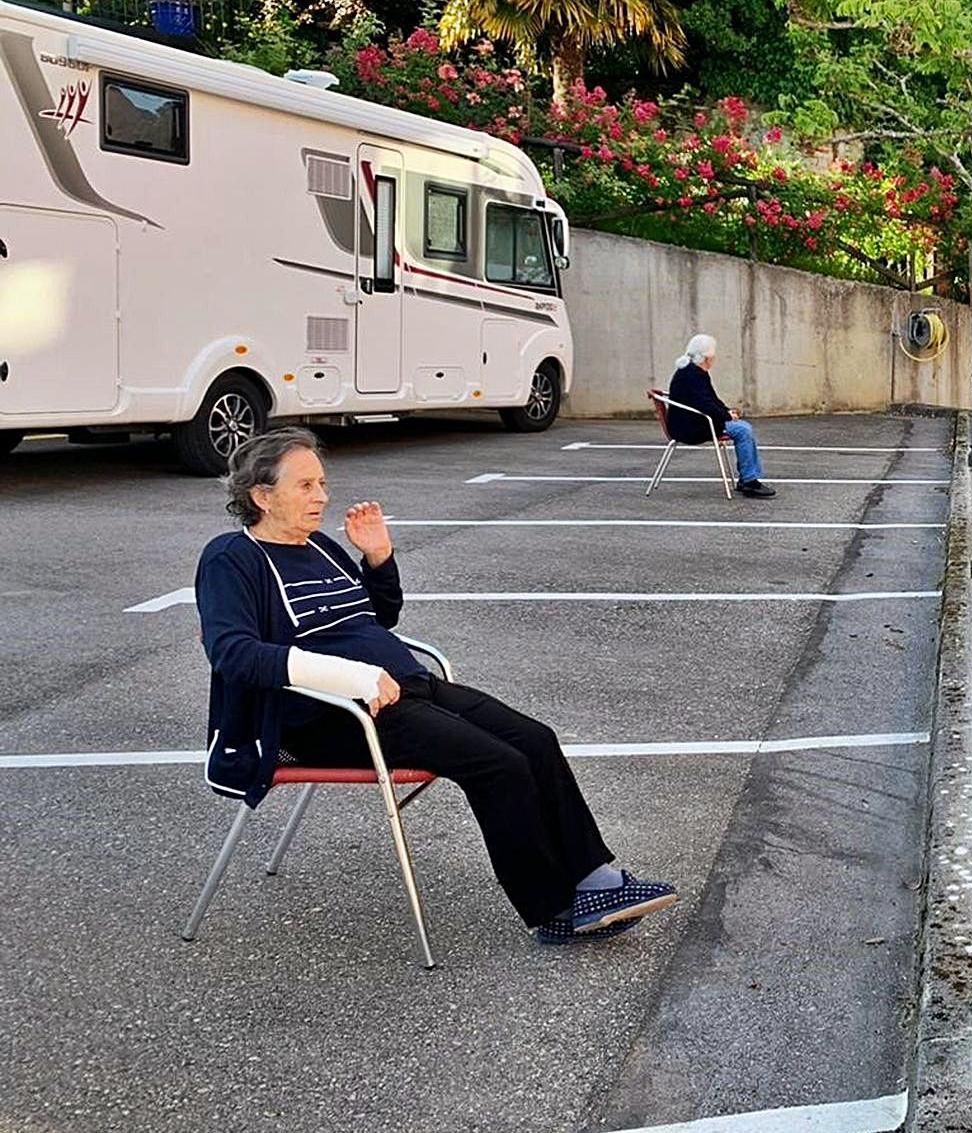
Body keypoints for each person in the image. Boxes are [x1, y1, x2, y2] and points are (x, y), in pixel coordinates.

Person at [195, 429, 677, 945]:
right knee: (499, 766)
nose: (322, 496)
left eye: (322, 483)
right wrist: (353, 678)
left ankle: (594, 880)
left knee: (535, 739)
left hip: (401, 688)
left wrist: (378, 559)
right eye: (306, 485)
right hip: (325, 717)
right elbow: (233, 653)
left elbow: (377, 618)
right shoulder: (231, 559)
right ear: (261, 496)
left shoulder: (320, 548)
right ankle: (554, 911)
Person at [667, 334, 775, 499]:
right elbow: (705, 404)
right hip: (693, 427)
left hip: (692, 422)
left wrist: (726, 412)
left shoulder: (691, 371)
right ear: (706, 358)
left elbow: (711, 400)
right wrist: (726, 416)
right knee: (743, 430)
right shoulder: (693, 376)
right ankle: (749, 481)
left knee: (743, 428)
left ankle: (748, 478)